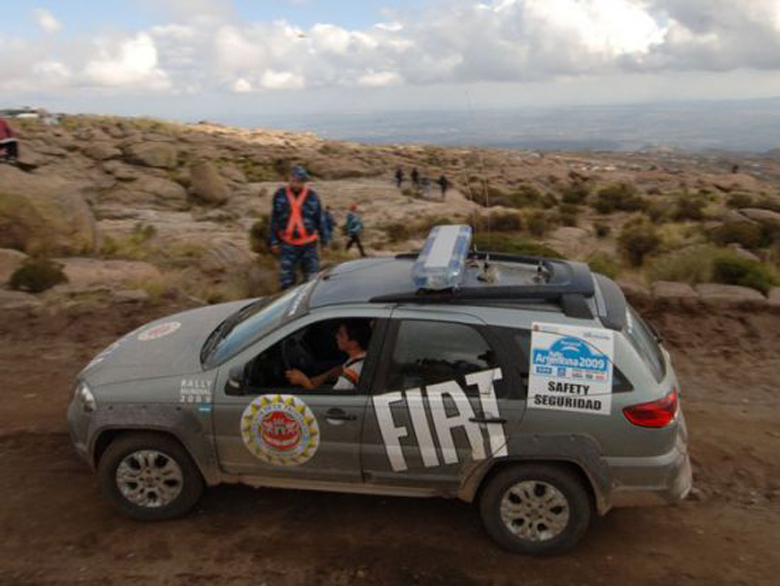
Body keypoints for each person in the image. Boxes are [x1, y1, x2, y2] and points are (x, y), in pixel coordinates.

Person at [269, 165, 328, 290]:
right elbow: (275, 219)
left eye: (300, 180)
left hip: (309, 245)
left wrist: (325, 242)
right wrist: (274, 241)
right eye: (294, 179)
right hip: (287, 245)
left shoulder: (312, 196)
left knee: (313, 281)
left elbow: (320, 219)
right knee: (286, 282)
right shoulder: (280, 195)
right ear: (289, 178)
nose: (296, 183)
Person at [286, 320, 371, 390]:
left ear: (353, 343)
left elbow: (331, 403)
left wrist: (304, 381)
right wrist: (323, 377)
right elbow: (341, 368)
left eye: (341, 335)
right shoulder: (362, 358)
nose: (336, 336)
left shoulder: (349, 377)